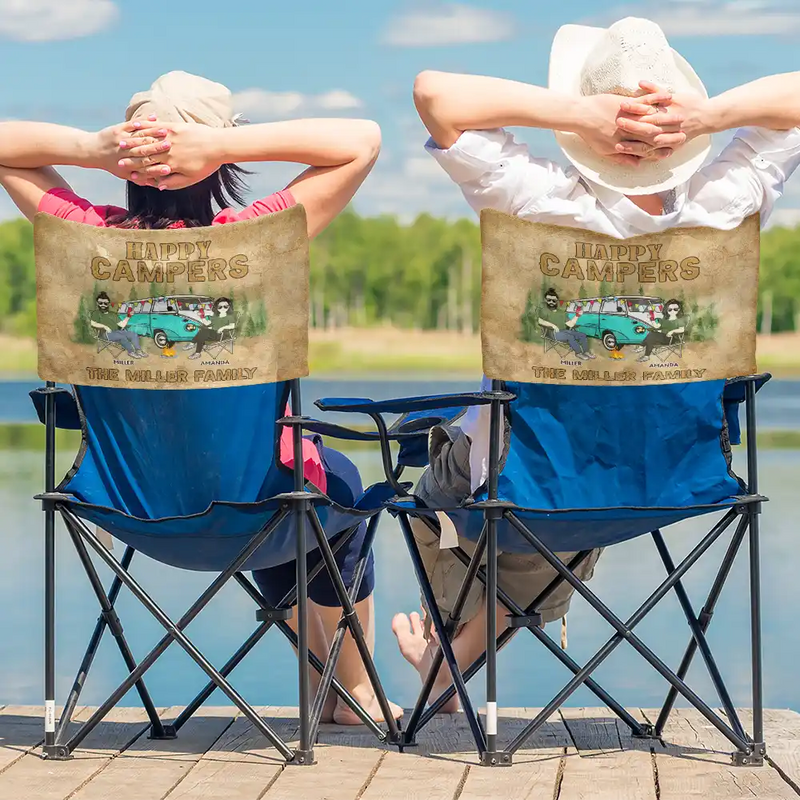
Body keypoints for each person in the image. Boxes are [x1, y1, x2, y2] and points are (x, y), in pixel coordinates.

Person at [392, 16, 800, 711]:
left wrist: (582, 112)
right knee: (572, 488)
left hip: (533, 482)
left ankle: (446, 660)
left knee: (445, 485)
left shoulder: (533, 199)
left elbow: (433, 92)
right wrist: (705, 116)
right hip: (672, 480)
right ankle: (449, 666)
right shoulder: (724, 204)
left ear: (586, 130)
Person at [0, 70, 400, 725]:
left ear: (127, 162)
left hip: (133, 512)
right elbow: (362, 139)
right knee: (333, 490)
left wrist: (94, 149)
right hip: (259, 513)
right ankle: (352, 694)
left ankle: (324, 690)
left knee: (285, 487)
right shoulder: (257, 239)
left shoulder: (87, 239)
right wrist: (218, 144)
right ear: (218, 164)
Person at [537, 287, 595, 359]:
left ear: (557, 301)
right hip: (551, 333)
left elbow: (570, 324)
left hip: (563, 331)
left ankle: (586, 351)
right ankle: (578, 353)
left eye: (554, 300)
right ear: (545, 300)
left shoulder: (561, 312)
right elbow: (540, 321)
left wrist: (577, 316)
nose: (551, 302)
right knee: (570, 337)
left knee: (582, 335)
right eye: (549, 300)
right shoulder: (544, 310)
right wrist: (552, 325)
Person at [89, 291, 148, 358]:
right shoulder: (96, 313)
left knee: (133, 334)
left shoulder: (113, 314)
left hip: (116, 332)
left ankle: (138, 350)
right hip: (104, 334)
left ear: (108, 304)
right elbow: (93, 323)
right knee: (121, 337)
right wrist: (104, 326)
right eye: (100, 303)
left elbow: (122, 325)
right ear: (97, 303)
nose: (103, 305)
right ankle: (131, 352)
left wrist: (128, 316)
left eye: (105, 303)